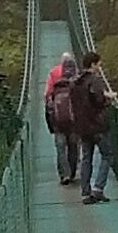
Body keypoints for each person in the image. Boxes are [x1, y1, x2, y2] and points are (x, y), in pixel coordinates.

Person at [67, 48, 116, 203]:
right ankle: (98, 189)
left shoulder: (75, 82)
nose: (99, 68)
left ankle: (85, 192)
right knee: (107, 156)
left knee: (86, 158)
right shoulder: (94, 80)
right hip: (98, 126)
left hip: (82, 127)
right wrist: (109, 98)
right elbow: (98, 100)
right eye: (99, 65)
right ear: (93, 64)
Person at [44, 52, 81, 185]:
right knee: (74, 146)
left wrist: (50, 122)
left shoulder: (54, 74)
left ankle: (64, 174)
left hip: (58, 121)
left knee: (60, 147)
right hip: (74, 121)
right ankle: (72, 172)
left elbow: (47, 95)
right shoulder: (78, 80)